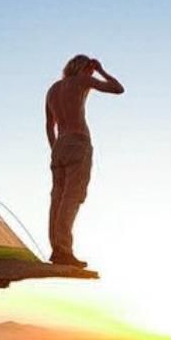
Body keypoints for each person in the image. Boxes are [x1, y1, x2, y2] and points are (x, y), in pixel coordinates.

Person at [45, 54, 124, 267]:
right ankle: (64, 251)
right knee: (72, 196)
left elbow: (48, 125)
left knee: (57, 198)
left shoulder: (53, 89)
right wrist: (101, 70)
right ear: (84, 68)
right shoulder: (82, 80)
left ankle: (57, 249)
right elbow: (118, 89)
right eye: (89, 69)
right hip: (78, 142)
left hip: (59, 146)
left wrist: (55, 149)